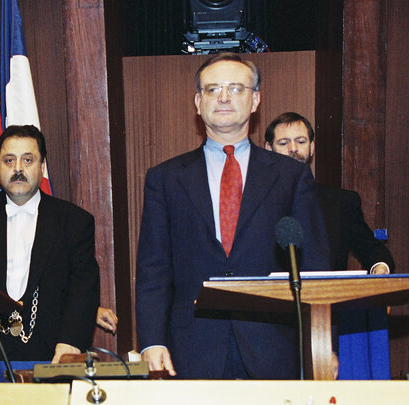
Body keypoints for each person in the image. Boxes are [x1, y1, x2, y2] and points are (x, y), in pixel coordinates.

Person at [136, 54, 330, 379]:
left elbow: (315, 266)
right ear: (198, 102)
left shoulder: (290, 177)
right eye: (213, 89)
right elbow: (153, 269)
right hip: (192, 347)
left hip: (274, 346)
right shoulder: (165, 178)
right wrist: (151, 341)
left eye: (236, 88)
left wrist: (325, 344)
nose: (224, 97)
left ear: (255, 100)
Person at [0, 125, 100, 363]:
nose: (18, 169)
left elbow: (83, 289)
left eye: (28, 160)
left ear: (42, 166)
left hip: (53, 352)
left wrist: (71, 344)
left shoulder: (74, 221)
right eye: (9, 160)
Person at [0, 144, 118, 336]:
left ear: (41, 167)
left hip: (40, 342)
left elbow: (52, 282)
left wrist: (83, 313)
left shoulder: (66, 220)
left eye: (28, 160)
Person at [264, 112, 394, 274]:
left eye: (301, 141)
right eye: (284, 143)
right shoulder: (255, 202)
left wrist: (380, 267)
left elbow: (373, 251)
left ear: (311, 148)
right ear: (268, 149)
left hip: (328, 296)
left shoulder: (342, 202)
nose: (293, 149)